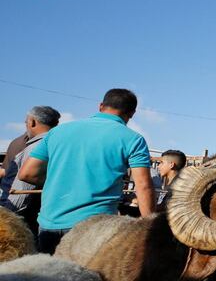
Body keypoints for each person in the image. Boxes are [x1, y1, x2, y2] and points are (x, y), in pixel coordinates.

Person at [19, 88, 155, 253]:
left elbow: (27, 173)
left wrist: (60, 181)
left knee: (50, 276)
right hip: (95, 228)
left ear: (100, 106)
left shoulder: (57, 132)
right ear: (132, 113)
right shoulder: (132, 139)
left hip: (50, 224)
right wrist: (150, 228)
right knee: (89, 278)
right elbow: (143, 185)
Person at [0, 106, 61, 237]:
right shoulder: (59, 144)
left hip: (20, 218)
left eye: (26, 122)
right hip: (42, 215)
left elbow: (23, 186)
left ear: (32, 122)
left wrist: (8, 216)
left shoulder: (37, 146)